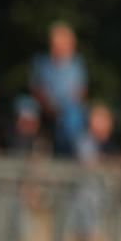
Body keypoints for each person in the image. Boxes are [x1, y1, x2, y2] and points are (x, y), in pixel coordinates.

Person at [30, 21, 87, 155]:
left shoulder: (77, 64)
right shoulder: (41, 62)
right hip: (45, 107)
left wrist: (66, 106)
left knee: (72, 116)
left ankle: (65, 153)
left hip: (67, 109)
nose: (56, 48)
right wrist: (48, 106)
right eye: (54, 44)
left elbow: (80, 91)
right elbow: (35, 89)